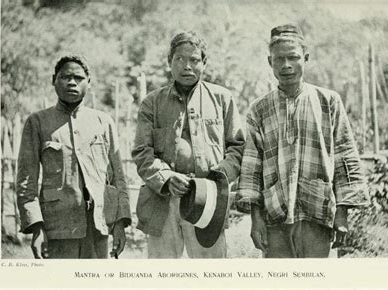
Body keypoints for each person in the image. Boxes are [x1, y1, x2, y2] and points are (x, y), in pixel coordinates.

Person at [237, 24, 369, 258]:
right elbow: (251, 169)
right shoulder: (259, 109)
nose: (286, 65)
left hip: (317, 211)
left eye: (293, 57)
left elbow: (345, 157)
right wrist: (255, 220)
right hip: (274, 216)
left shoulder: (328, 102)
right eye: (279, 59)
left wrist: (342, 213)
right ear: (270, 62)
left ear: (305, 58)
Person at [132, 31, 245, 258]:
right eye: (180, 59)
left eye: (194, 60)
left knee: (211, 272)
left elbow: (237, 147)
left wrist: (217, 179)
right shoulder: (151, 103)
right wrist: (165, 177)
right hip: (162, 202)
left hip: (208, 201)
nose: (187, 66)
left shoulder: (222, 98)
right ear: (169, 62)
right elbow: (141, 151)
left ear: (204, 63)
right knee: (162, 274)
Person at [16, 55, 131, 259]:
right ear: (54, 80)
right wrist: (36, 227)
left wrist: (121, 222)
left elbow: (118, 177)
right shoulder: (37, 122)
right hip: (57, 228)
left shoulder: (103, 122)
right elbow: (27, 180)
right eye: (64, 77)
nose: (71, 82)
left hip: (98, 226)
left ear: (89, 82)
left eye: (78, 78)